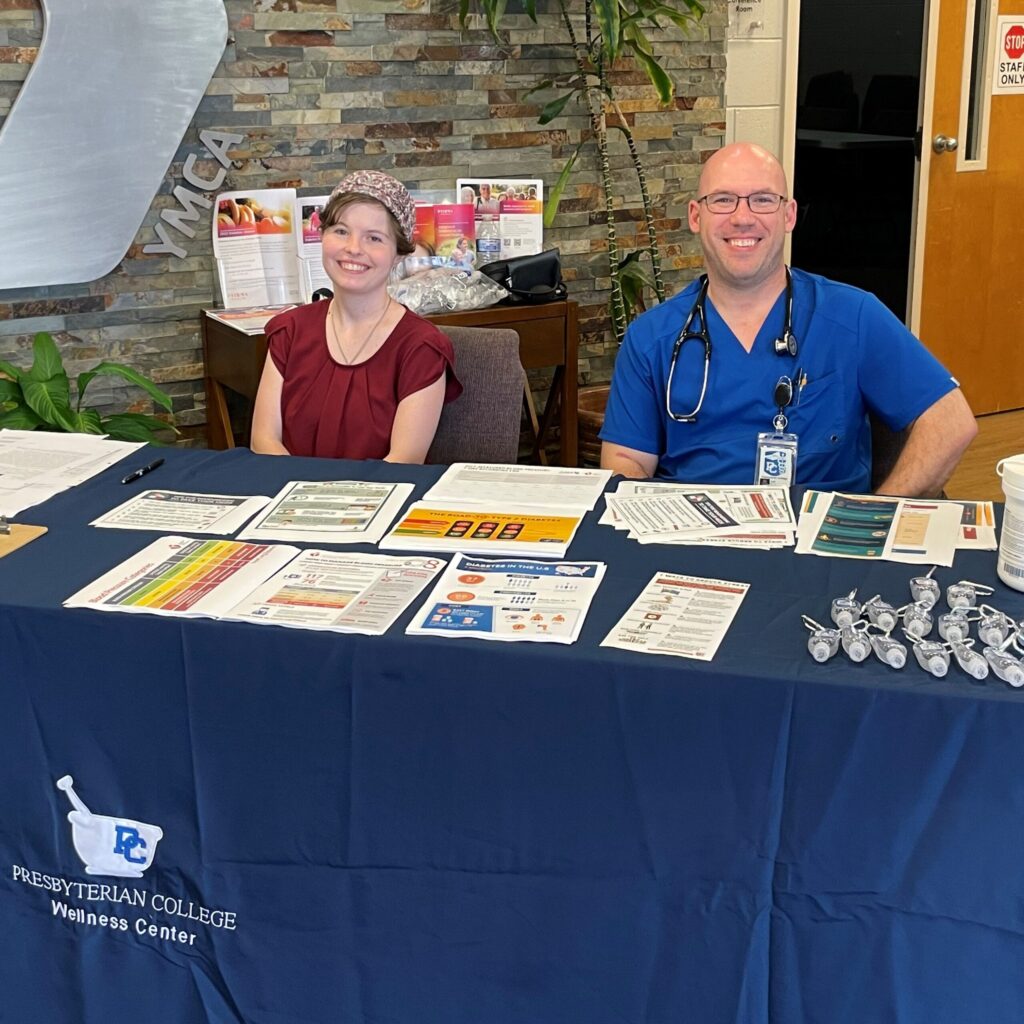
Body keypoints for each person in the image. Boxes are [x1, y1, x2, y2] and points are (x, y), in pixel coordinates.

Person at [599, 142, 977, 496]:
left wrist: (876, 515)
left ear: (789, 215)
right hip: (692, 536)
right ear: (696, 216)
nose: (742, 218)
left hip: (820, 546)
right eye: (723, 200)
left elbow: (951, 423)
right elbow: (625, 461)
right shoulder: (652, 337)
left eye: (763, 200)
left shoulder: (853, 316)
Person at [251, 170, 462, 462]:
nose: (353, 249)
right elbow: (264, 441)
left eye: (373, 238)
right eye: (340, 231)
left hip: (377, 503)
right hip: (288, 497)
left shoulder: (421, 348)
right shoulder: (290, 331)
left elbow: (403, 463)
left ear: (399, 254)